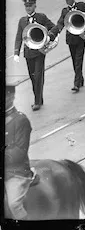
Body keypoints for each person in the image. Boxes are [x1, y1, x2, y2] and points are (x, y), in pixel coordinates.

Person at [13, 0, 56, 109]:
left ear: (35, 6)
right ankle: (39, 99)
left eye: (30, 6)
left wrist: (48, 37)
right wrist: (16, 52)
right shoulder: (22, 21)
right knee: (32, 77)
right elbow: (19, 37)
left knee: (38, 76)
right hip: (28, 53)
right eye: (26, 6)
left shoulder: (41, 17)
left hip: (39, 52)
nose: (28, 8)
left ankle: (37, 102)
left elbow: (54, 27)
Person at [49, 0, 85, 95]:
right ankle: (80, 79)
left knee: (78, 60)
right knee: (74, 60)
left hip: (81, 38)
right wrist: (52, 34)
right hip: (70, 39)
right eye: (66, 0)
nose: (67, 1)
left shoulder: (81, 6)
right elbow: (60, 24)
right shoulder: (65, 11)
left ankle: (76, 84)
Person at [4, 80, 34, 220]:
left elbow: (20, 152)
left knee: (14, 204)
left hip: (15, 172)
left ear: (11, 97)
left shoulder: (20, 120)